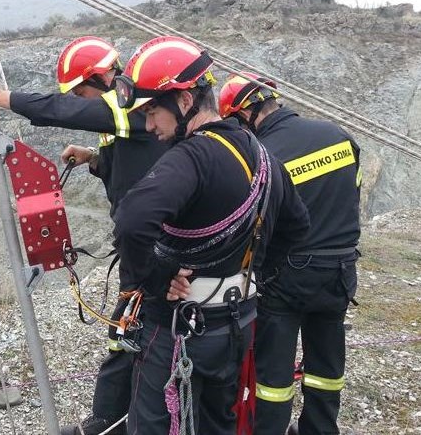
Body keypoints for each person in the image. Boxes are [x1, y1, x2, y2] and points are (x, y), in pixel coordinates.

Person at [0, 36, 170, 435]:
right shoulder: (124, 116)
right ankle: (116, 420)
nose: (81, 100)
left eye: (82, 90)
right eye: (79, 93)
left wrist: (1, 96)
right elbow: (136, 165)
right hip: (142, 245)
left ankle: (113, 423)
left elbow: (66, 111)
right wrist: (95, 159)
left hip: (155, 248)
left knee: (134, 334)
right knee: (128, 333)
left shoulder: (135, 103)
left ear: (103, 76)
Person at [111, 36, 310, 435]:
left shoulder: (191, 157)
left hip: (178, 329)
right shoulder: (262, 155)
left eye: (152, 112)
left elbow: (132, 221)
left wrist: (155, 278)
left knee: (154, 423)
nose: (148, 126)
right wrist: (252, 274)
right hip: (237, 323)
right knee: (218, 421)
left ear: (184, 101)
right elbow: (297, 225)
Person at [219, 73, 362, 435]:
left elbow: (255, 222)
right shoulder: (339, 136)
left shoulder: (265, 154)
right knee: (327, 367)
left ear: (243, 116)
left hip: (289, 273)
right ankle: (320, 428)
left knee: (274, 375)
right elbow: (351, 196)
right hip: (341, 270)